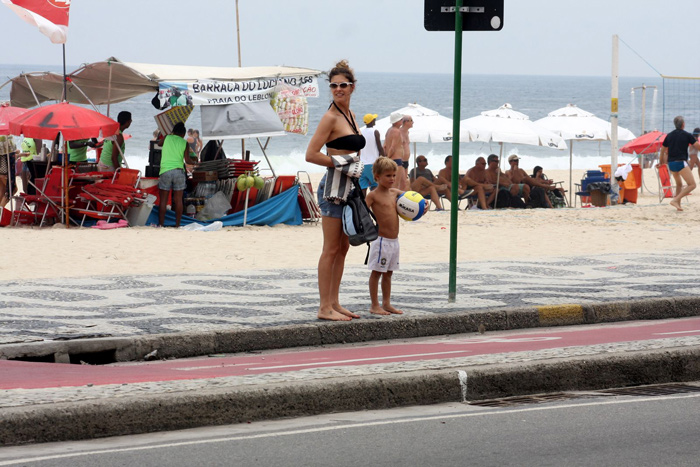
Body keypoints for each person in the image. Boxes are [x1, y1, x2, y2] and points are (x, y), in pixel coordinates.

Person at [305, 60, 365, 321]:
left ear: (352, 88)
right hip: (332, 188)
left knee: (343, 248)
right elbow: (310, 154)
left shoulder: (349, 115)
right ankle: (323, 307)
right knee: (330, 248)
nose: (338, 89)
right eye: (333, 86)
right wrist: (340, 162)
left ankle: (334, 302)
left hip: (349, 187)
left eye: (343, 85)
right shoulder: (330, 117)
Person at [365, 157, 403, 315]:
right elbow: (362, 213)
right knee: (377, 272)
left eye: (394, 175)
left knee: (389, 273)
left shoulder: (395, 193)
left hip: (394, 241)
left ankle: (386, 303)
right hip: (381, 241)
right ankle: (374, 305)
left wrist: (424, 205)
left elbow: (412, 200)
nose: (392, 179)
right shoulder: (373, 196)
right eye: (388, 176)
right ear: (377, 177)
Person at [158, 122, 197, 227]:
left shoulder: (167, 137)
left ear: (173, 131)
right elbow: (187, 160)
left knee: (163, 200)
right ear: (183, 134)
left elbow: (159, 144)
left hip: (165, 170)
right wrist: (195, 163)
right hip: (179, 171)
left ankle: (161, 224)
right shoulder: (185, 143)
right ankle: (177, 225)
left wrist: (169, 134)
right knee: (178, 200)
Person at [658, 116, 700, 211]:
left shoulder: (669, 135)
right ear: (683, 124)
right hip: (680, 163)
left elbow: (662, 150)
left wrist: (661, 162)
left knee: (679, 184)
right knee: (692, 185)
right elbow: (698, 147)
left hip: (671, 164)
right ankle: (675, 200)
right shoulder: (687, 135)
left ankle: (678, 206)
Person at [358, 113, 386, 195]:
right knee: (375, 185)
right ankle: (375, 205)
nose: (375, 120)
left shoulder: (360, 132)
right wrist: (385, 159)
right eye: (374, 119)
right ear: (371, 121)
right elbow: (379, 147)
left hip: (362, 164)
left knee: (363, 187)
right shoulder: (375, 131)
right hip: (372, 164)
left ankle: (363, 205)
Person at [384, 112, 406, 190]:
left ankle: (398, 200)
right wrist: (387, 159)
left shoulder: (389, 130)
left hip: (396, 160)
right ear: (397, 121)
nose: (402, 121)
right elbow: (392, 148)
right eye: (401, 119)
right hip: (395, 160)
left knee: (403, 183)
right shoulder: (396, 131)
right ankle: (392, 201)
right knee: (395, 185)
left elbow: (385, 146)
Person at [398, 115, 413, 190]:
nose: (413, 122)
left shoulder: (407, 132)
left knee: (404, 184)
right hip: (400, 161)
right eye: (411, 120)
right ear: (406, 122)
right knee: (404, 183)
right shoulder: (399, 132)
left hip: (406, 161)